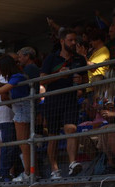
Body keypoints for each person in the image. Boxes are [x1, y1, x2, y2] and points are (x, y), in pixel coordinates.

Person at [41, 28, 88, 179]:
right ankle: (54, 170)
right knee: (53, 136)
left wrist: (81, 81)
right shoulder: (51, 58)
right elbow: (42, 80)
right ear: (62, 41)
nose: (74, 43)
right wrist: (59, 75)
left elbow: (86, 80)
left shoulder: (80, 59)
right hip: (53, 100)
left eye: (75, 40)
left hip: (71, 99)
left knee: (71, 128)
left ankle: (72, 163)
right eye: (70, 40)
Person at [0, 56, 32, 182]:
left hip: (22, 111)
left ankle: (28, 172)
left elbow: (1, 90)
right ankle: (28, 171)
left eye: (0, 69)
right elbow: (4, 85)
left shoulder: (18, 76)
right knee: (22, 143)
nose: (0, 71)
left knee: (23, 144)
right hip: (19, 110)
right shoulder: (16, 77)